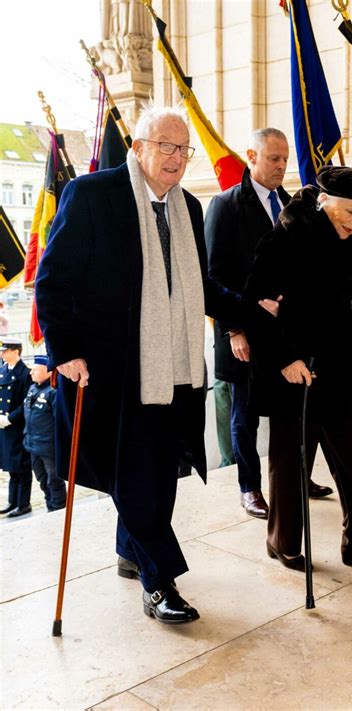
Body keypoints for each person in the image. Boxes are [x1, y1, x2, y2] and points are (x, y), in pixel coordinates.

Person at [35, 106, 248, 625]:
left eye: (183, 149)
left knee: (162, 473)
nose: (175, 157)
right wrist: (65, 353)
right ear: (139, 147)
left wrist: (250, 312)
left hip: (176, 369)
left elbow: (202, 288)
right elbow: (53, 281)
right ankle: (160, 582)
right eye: (165, 146)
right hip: (112, 373)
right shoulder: (92, 196)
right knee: (135, 478)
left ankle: (131, 551)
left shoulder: (190, 209)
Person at [244, 166, 352, 572]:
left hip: (340, 365)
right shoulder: (282, 240)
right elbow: (253, 311)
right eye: (350, 211)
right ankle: (283, 543)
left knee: (351, 460)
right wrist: (285, 360)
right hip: (294, 368)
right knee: (290, 461)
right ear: (323, 199)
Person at [205, 128, 332, 519]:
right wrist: (234, 330)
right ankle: (250, 487)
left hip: (286, 333)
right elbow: (213, 275)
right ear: (251, 156)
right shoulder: (225, 205)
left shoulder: (292, 204)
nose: (281, 166)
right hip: (244, 331)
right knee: (244, 416)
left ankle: (295, 478)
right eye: (273, 158)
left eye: (285, 159)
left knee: (291, 411)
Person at [23, 355, 66, 512]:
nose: (31, 373)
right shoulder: (33, 388)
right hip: (33, 445)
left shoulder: (53, 391)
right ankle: (50, 507)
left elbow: (59, 421)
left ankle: (58, 510)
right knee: (42, 480)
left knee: (54, 482)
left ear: (48, 372)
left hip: (49, 447)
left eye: (35, 370)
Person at [0, 337, 32, 518]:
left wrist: (10, 418)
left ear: (15, 351)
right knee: (11, 466)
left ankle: (23, 503)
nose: (2, 354)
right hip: (4, 427)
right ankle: (13, 501)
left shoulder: (24, 373)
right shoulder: (3, 370)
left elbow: (26, 401)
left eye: (5, 351)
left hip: (17, 425)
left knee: (21, 466)